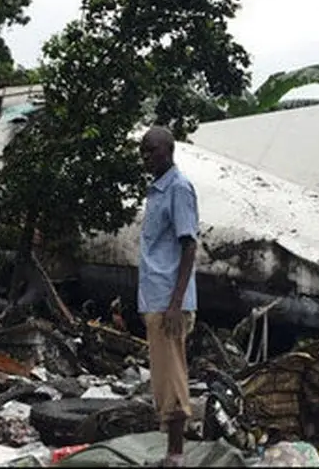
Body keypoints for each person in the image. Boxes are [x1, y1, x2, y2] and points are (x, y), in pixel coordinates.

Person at [137, 126, 200, 467]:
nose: (146, 158)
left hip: (169, 301)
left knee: (172, 375)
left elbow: (188, 244)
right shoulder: (156, 191)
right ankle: (171, 452)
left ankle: (176, 454)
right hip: (156, 298)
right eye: (143, 152)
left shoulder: (178, 188)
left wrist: (175, 303)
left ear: (169, 151)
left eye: (152, 151)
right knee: (162, 376)